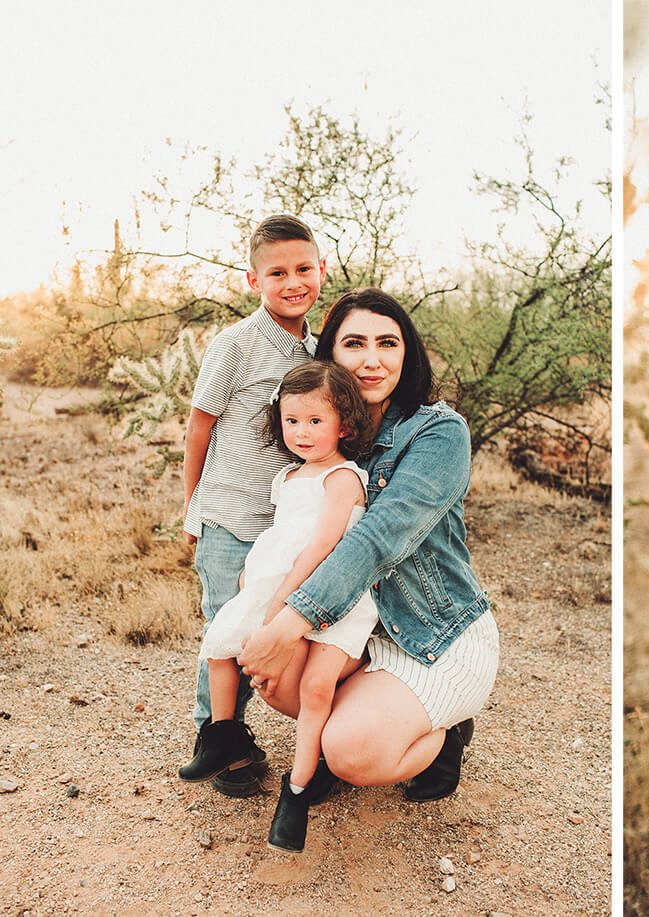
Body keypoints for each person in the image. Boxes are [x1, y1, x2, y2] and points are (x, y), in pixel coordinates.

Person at [236, 287, 500, 846]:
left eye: (388, 342)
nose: (371, 359)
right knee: (280, 684)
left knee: (352, 751)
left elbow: (379, 539)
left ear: (408, 354)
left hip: (434, 632)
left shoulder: (438, 432)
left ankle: (444, 730)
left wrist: (288, 621)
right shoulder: (322, 434)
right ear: (327, 355)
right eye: (353, 343)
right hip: (357, 627)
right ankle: (353, 726)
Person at [188, 361, 379, 851]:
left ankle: (296, 790)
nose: (302, 431)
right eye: (292, 420)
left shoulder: (344, 478)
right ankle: (224, 732)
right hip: (274, 581)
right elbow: (280, 535)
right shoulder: (287, 477)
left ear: (345, 425)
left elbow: (322, 544)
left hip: (332, 593)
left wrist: (283, 598)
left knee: (316, 686)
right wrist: (254, 578)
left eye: (316, 421)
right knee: (220, 641)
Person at [178, 214, 325, 798]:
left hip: (287, 523)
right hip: (230, 514)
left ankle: (262, 733)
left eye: (303, 269)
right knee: (226, 629)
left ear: (321, 270)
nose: (292, 282)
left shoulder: (320, 349)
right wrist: (193, 508)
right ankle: (217, 737)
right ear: (252, 279)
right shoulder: (235, 344)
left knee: (271, 627)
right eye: (277, 272)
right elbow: (199, 426)